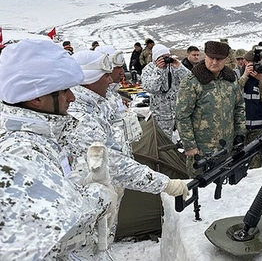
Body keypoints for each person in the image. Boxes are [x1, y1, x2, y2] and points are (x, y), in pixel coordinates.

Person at [0, 39, 112, 259]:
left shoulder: (42, 137)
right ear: (36, 99)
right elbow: (66, 224)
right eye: (63, 90)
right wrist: (100, 192)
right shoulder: (22, 152)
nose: (72, 97)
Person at [67, 50, 189, 246]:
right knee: (92, 244)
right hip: (92, 196)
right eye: (106, 75)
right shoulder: (81, 115)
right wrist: (166, 184)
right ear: (89, 79)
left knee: (104, 237)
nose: (111, 80)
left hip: (109, 185)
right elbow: (112, 162)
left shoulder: (98, 102)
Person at [176, 41, 246, 177]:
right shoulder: (192, 81)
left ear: (226, 59)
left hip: (227, 147)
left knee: (225, 188)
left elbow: (239, 107)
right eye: (211, 58)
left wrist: (239, 134)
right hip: (201, 150)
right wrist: (189, 145)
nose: (214, 62)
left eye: (219, 59)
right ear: (205, 56)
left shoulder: (230, 80)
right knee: (200, 190)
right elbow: (182, 115)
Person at [142, 44, 190, 138]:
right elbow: (151, 88)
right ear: (156, 58)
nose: (166, 60)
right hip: (161, 116)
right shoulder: (149, 69)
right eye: (163, 57)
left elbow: (189, 81)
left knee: (184, 141)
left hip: (179, 114)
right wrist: (159, 71)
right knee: (165, 141)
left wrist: (180, 67)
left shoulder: (174, 67)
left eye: (168, 56)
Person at [239, 50, 262, 169]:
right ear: (245, 62)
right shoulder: (236, 75)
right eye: (252, 64)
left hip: (257, 125)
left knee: (255, 160)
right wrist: (245, 76)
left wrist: (261, 80)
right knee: (237, 160)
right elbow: (233, 94)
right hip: (240, 126)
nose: (255, 67)